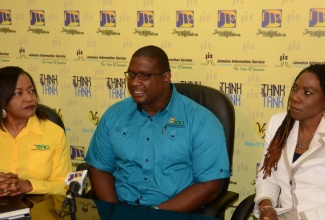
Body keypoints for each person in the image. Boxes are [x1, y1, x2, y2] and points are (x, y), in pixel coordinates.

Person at [85, 45, 230, 212]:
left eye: (144, 76)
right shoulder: (114, 115)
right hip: (122, 208)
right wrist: (114, 212)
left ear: (165, 78)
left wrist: (154, 215)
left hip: (175, 213)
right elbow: (100, 168)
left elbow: (209, 186)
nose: (134, 83)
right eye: (131, 75)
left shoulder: (202, 121)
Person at [254, 64, 325, 220]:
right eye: (294, 89)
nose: (295, 97)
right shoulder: (278, 123)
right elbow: (267, 175)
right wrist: (266, 206)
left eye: (307, 93)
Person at [0, 66, 72, 198]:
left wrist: (28, 185)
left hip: (40, 207)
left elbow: (65, 185)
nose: (29, 98)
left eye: (31, 91)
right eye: (18, 93)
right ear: (2, 101)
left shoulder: (53, 133)